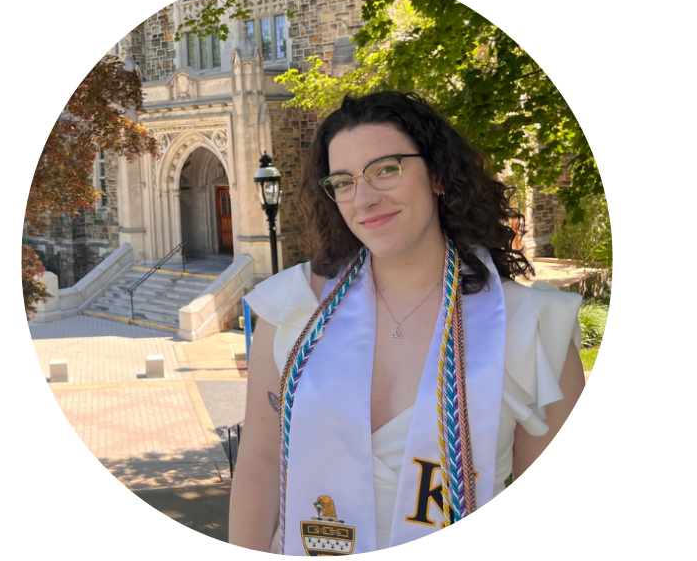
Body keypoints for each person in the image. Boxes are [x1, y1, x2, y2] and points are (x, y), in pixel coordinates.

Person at [229, 91, 585, 555]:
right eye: (343, 181)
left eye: (387, 169)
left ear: (437, 174)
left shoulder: (532, 329)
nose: (365, 198)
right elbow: (259, 461)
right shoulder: (292, 311)